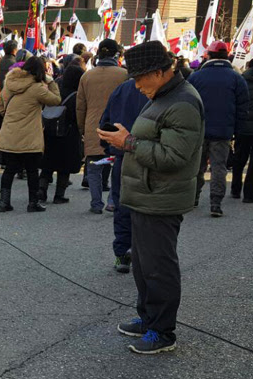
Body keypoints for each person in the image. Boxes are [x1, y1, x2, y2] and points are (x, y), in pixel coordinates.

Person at [98, 41, 204, 354]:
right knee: (143, 265)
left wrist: (127, 142)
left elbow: (173, 157)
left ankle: (162, 331)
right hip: (145, 194)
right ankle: (147, 317)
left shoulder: (183, 101)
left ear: (159, 72)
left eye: (140, 78)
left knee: (159, 267)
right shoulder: (161, 94)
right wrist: (125, 140)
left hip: (161, 198)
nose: (136, 85)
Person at [187, 40, 249, 217]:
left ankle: (194, 198)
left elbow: (187, 103)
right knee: (218, 168)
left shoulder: (196, 76)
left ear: (209, 55)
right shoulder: (237, 78)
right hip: (223, 131)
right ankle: (215, 203)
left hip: (199, 131)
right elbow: (243, 107)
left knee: (196, 167)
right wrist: (236, 131)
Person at [0, 57, 61, 213]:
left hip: (10, 132)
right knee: (32, 170)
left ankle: (4, 202)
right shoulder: (37, 88)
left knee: (9, 169)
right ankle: (33, 202)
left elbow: (1, 107)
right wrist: (51, 81)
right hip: (30, 135)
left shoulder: (9, 85)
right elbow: (56, 100)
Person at [99, 79, 149, 273]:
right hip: (152, 156)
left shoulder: (122, 88)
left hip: (123, 155)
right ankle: (144, 254)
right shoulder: (166, 90)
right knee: (149, 207)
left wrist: (108, 147)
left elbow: (106, 122)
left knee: (123, 205)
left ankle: (122, 254)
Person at [76, 39, 128, 214]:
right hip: (118, 125)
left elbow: (80, 106)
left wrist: (81, 128)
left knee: (93, 166)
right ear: (116, 54)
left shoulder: (87, 76)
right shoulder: (124, 75)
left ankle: (96, 203)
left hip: (93, 125)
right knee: (117, 165)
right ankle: (113, 201)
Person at [40, 60, 85, 205]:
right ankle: (59, 194)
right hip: (69, 133)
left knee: (48, 163)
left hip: (50, 131)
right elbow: (78, 115)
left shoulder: (56, 91)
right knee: (64, 166)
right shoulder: (77, 96)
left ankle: (41, 190)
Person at [232, 57, 253, 203]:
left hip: (242, 126)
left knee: (239, 159)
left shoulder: (241, 79)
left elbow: (235, 102)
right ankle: (250, 194)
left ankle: (235, 189)